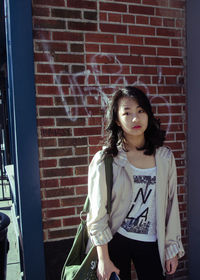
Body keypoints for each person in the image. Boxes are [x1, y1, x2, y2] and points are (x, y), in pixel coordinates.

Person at [86, 86, 185, 280]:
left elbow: (171, 206)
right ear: (117, 120)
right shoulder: (106, 160)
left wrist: (171, 247)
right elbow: (97, 215)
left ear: (148, 114)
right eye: (127, 113)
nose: (135, 118)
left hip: (151, 241)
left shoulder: (164, 157)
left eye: (141, 111)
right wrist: (103, 259)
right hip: (117, 240)